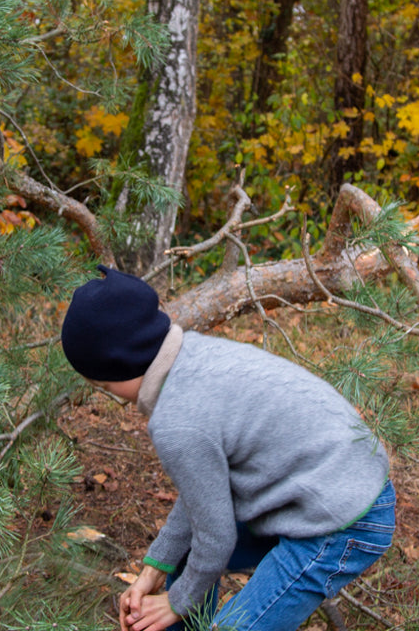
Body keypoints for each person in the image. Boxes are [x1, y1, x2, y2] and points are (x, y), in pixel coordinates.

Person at [59, 266, 396, 631]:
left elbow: (216, 537)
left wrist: (178, 601)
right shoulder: (195, 354)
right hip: (329, 485)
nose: (110, 395)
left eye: (104, 386)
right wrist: (155, 568)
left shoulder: (178, 421)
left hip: (343, 522)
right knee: (186, 555)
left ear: (117, 367)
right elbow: (203, 497)